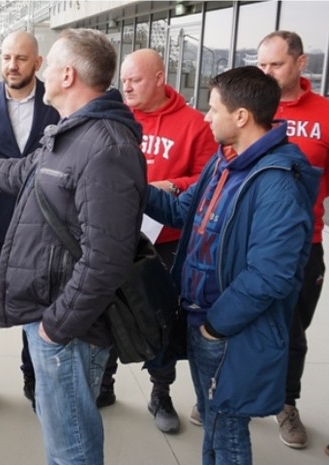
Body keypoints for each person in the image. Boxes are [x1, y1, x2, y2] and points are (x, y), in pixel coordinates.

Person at [0, 28, 146, 465]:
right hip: (58, 321)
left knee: (71, 453)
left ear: (67, 75)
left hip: (69, 332)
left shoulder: (104, 147)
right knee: (63, 446)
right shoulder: (73, 134)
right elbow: (21, 173)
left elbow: (106, 260)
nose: (43, 71)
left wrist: (55, 327)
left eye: (49, 63)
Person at [145, 66, 318, 465]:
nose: (206, 116)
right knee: (214, 421)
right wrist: (134, 185)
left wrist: (214, 327)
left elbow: (270, 275)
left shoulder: (277, 181)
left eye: (213, 108)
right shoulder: (224, 161)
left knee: (227, 433)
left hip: (227, 332)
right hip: (203, 323)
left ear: (241, 116)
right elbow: (180, 212)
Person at [96, 48, 217, 433]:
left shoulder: (195, 124)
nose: (127, 87)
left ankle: (160, 392)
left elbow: (207, 179)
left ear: (160, 78)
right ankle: (104, 383)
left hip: (166, 239)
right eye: (124, 80)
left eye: (135, 80)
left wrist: (168, 186)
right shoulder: (115, 117)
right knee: (104, 308)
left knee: (160, 317)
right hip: (115, 231)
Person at [0, 30, 58, 416]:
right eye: (6, 58)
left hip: (43, 223)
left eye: (20, 58)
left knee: (36, 302)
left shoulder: (55, 102)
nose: (12, 66)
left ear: (37, 62)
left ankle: (32, 378)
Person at [256, 30, 329, 450]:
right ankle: (236, 394)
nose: (266, 72)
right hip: (250, 241)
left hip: (304, 244)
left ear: (300, 64)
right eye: (261, 64)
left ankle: (285, 403)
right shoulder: (250, 105)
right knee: (239, 320)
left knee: (292, 330)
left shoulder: (324, 114)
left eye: (275, 64)